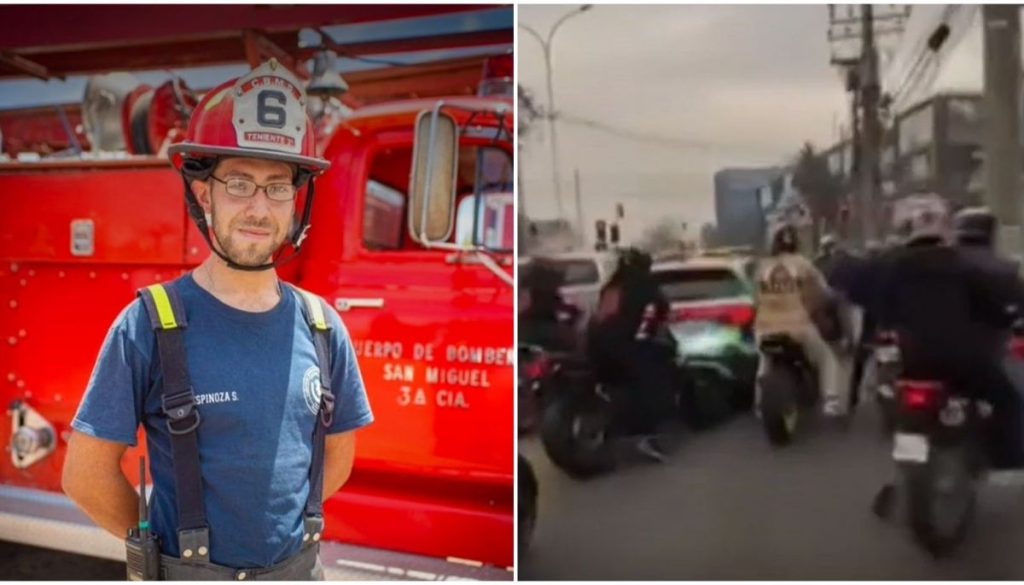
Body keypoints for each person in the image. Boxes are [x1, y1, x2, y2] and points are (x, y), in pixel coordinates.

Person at [62, 60, 374, 580]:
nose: (259, 207)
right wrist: (159, 549)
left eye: (277, 186)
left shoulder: (323, 327)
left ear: (296, 201)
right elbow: (86, 476)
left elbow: (335, 460)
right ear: (203, 194)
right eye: (239, 183)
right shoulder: (147, 325)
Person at [875, 194, 1024, 471]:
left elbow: (883, 309)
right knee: (1008, 398)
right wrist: (1004, 316)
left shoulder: (894, 267)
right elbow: (989, 305)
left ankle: (906, 461)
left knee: (897, 398)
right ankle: (1008, 462)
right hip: (960, 359)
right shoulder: (963, 265)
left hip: (913, 359)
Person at [587, 248, 676, 462]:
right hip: (623, 346)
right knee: (652, 381)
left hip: (594, 347)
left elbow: (603, 317)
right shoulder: (644, 286)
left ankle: (617, 423)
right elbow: (654, 317)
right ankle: (646, 436)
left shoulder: (611, 286)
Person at [753, 223, 849, 416]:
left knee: (765, 362)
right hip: (798, 327)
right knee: (827, 358)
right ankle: (831, 401)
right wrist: (833, 298)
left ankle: (758, 405)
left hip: (764, 328)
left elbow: (755, 298)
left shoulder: (762, 267)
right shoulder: (803, 264)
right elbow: (822, 292)